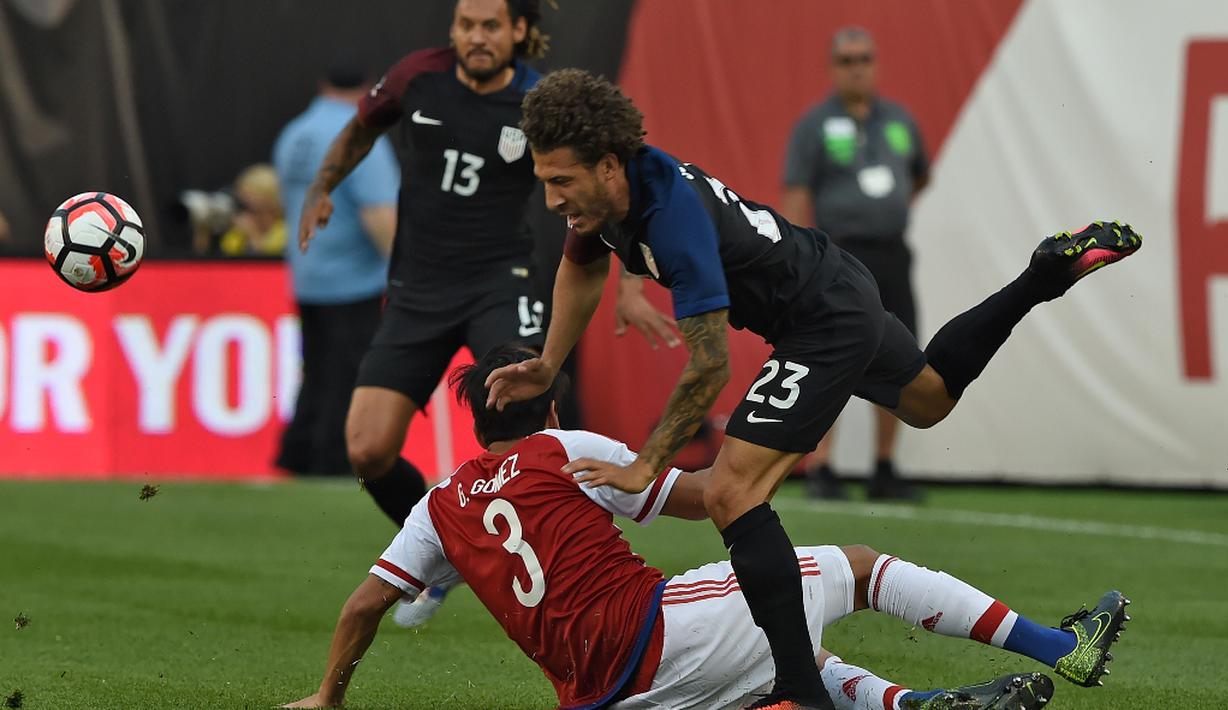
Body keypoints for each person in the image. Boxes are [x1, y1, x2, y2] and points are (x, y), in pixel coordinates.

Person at [484, 69, 1142, 710]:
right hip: (831, 287)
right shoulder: (612, 190)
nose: (552, 199)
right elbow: (580, 260)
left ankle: (799, 692)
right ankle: (1040, 279)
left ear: (605, 164)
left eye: (561, 181)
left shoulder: (671, 218)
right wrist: (546, 364)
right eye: (544, 181)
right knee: (928, 399)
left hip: (817, 319)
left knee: (729, 491)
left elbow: (708, 366)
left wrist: (644, 465)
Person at [281, 345, 1131, 710]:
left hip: (601, 695)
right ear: (550, 401)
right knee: (858, 567)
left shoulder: (436, 505)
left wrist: (328, 696)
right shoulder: (563, 446)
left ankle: (921, 704)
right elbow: (705, 500)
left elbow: (362, 608)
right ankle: (1064, 650)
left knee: (796, 660)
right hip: (656, 636)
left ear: (474, 435)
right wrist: (765, 451)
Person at [296, 0, 668, 525]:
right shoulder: (418, 76)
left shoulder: (536, 103)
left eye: (490, 26)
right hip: (416, 289)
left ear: (519, 30)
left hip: (499, 281)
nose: (475, 37)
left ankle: (568, 549)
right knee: (366, 449)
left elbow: (609, 185)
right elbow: (361, 129)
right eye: (465, 25)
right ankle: (446, 547)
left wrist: (631, 281)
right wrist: (322, 186)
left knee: (527, 418)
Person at [782, 27, 930, 501]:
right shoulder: (815, 124)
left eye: (864, 58)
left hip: (891, 252)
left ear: (876, 64)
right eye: (846, 60)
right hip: (841, 255)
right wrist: (801, 256)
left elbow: (919, 174)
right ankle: (822, 466)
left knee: (900, 352)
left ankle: (884, 467)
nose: (857, 67)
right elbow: (798, 191)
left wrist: (890, 211)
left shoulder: (899, 121)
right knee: (832, 353)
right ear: (833, 68)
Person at [272, 63, 400, 477]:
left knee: (318, 372)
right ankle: (333, 463)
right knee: (349, 377)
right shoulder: (361, 137)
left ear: (322, 84)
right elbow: (378, 214)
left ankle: (299, 455)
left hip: (308, 276)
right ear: (367, 87)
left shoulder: (295, 134)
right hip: (354, 280)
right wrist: (405, 272)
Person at [218, 164, 287, 256]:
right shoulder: (242, 226)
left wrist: (253, 235)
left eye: (253, 193)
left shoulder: (285, 231)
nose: (245, 199)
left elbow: (271, 261)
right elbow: (226, 255)